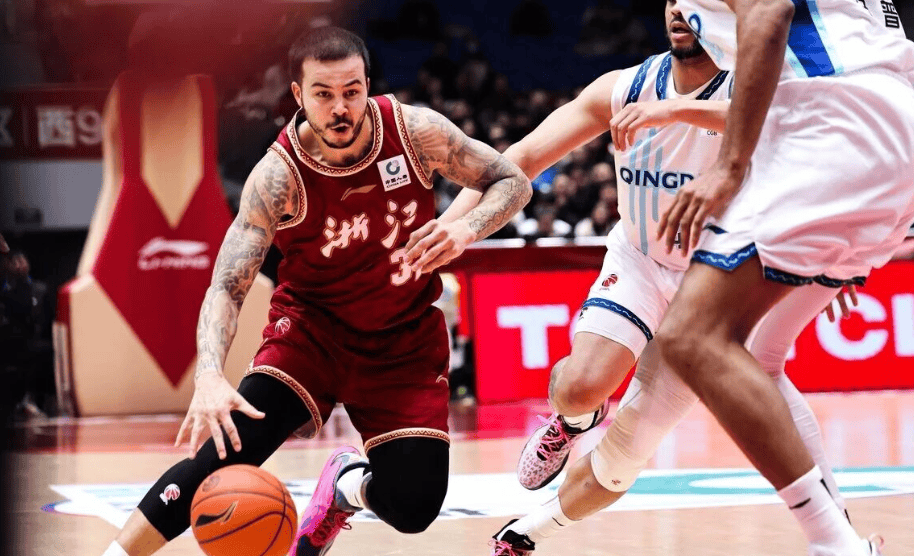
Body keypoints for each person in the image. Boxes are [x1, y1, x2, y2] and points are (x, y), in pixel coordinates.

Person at [436, 2, 853, 553]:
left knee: (625, 457)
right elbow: (522, 158)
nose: (680, 9)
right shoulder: (624, 87)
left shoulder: (754, 89)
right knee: (578, 387)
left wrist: (827, 255)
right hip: (640, 261)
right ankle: (572, 422)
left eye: (697, 1)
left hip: (714, 285)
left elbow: (792, 133)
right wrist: (446, 228)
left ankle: (526, 534)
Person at [99, 26, 531, 556]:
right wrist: (209, 374)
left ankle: (346, 487)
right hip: (311, 337)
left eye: (352, 91)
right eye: (324, 94)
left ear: (367, 85)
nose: (340, 108)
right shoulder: (277, 177)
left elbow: (513, 181)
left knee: (414, 507)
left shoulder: (416, 133)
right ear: (299, 95)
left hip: (403, 341)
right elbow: (227, 287)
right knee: (223, 454)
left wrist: (465, 229)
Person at [651, 0, 914, 554]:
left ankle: (835, 545)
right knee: (757, 355)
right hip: (879, 126)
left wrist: (729, 167)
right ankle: (838, 535)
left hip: (833, 123)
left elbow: (769, 11)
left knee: (692, 335)